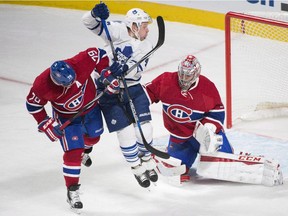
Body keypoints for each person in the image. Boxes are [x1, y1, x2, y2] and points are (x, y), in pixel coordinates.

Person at [26, 47, 123, 210]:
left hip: (91, 109)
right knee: (73, 152)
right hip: (67, 119)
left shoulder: (80, 62)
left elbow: (99, 54)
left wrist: (105, 73)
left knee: (94, 138)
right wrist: (45, 123)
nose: (71, 85)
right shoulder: (42, 84)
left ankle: (84, 151)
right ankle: (72, 191)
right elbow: (33, 105)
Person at [82, 2, 158, 188]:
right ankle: (136, 168)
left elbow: (136, 70)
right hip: (107, 88)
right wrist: (94, 14)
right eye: (145, 26)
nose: (147, 30)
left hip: (132, 87)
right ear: (134, 26)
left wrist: (123, 69)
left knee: (145, 127)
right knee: (125, 131)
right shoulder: (117, 30)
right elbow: (89, 23)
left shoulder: (147, 44)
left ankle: (146, 159)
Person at [144, 54, 234, 182]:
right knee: (174, 170)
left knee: (226, 163)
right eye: (182, 74)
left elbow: (217, 111)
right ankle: (175, 154)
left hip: (204, 136)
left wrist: (208, 129)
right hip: (180, 138)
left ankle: (221, 148)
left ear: (196, 73)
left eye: (188, 75)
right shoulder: (167, 81)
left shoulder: (206, 87)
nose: (184, 79)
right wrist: (134, 103)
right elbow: (147, 93)